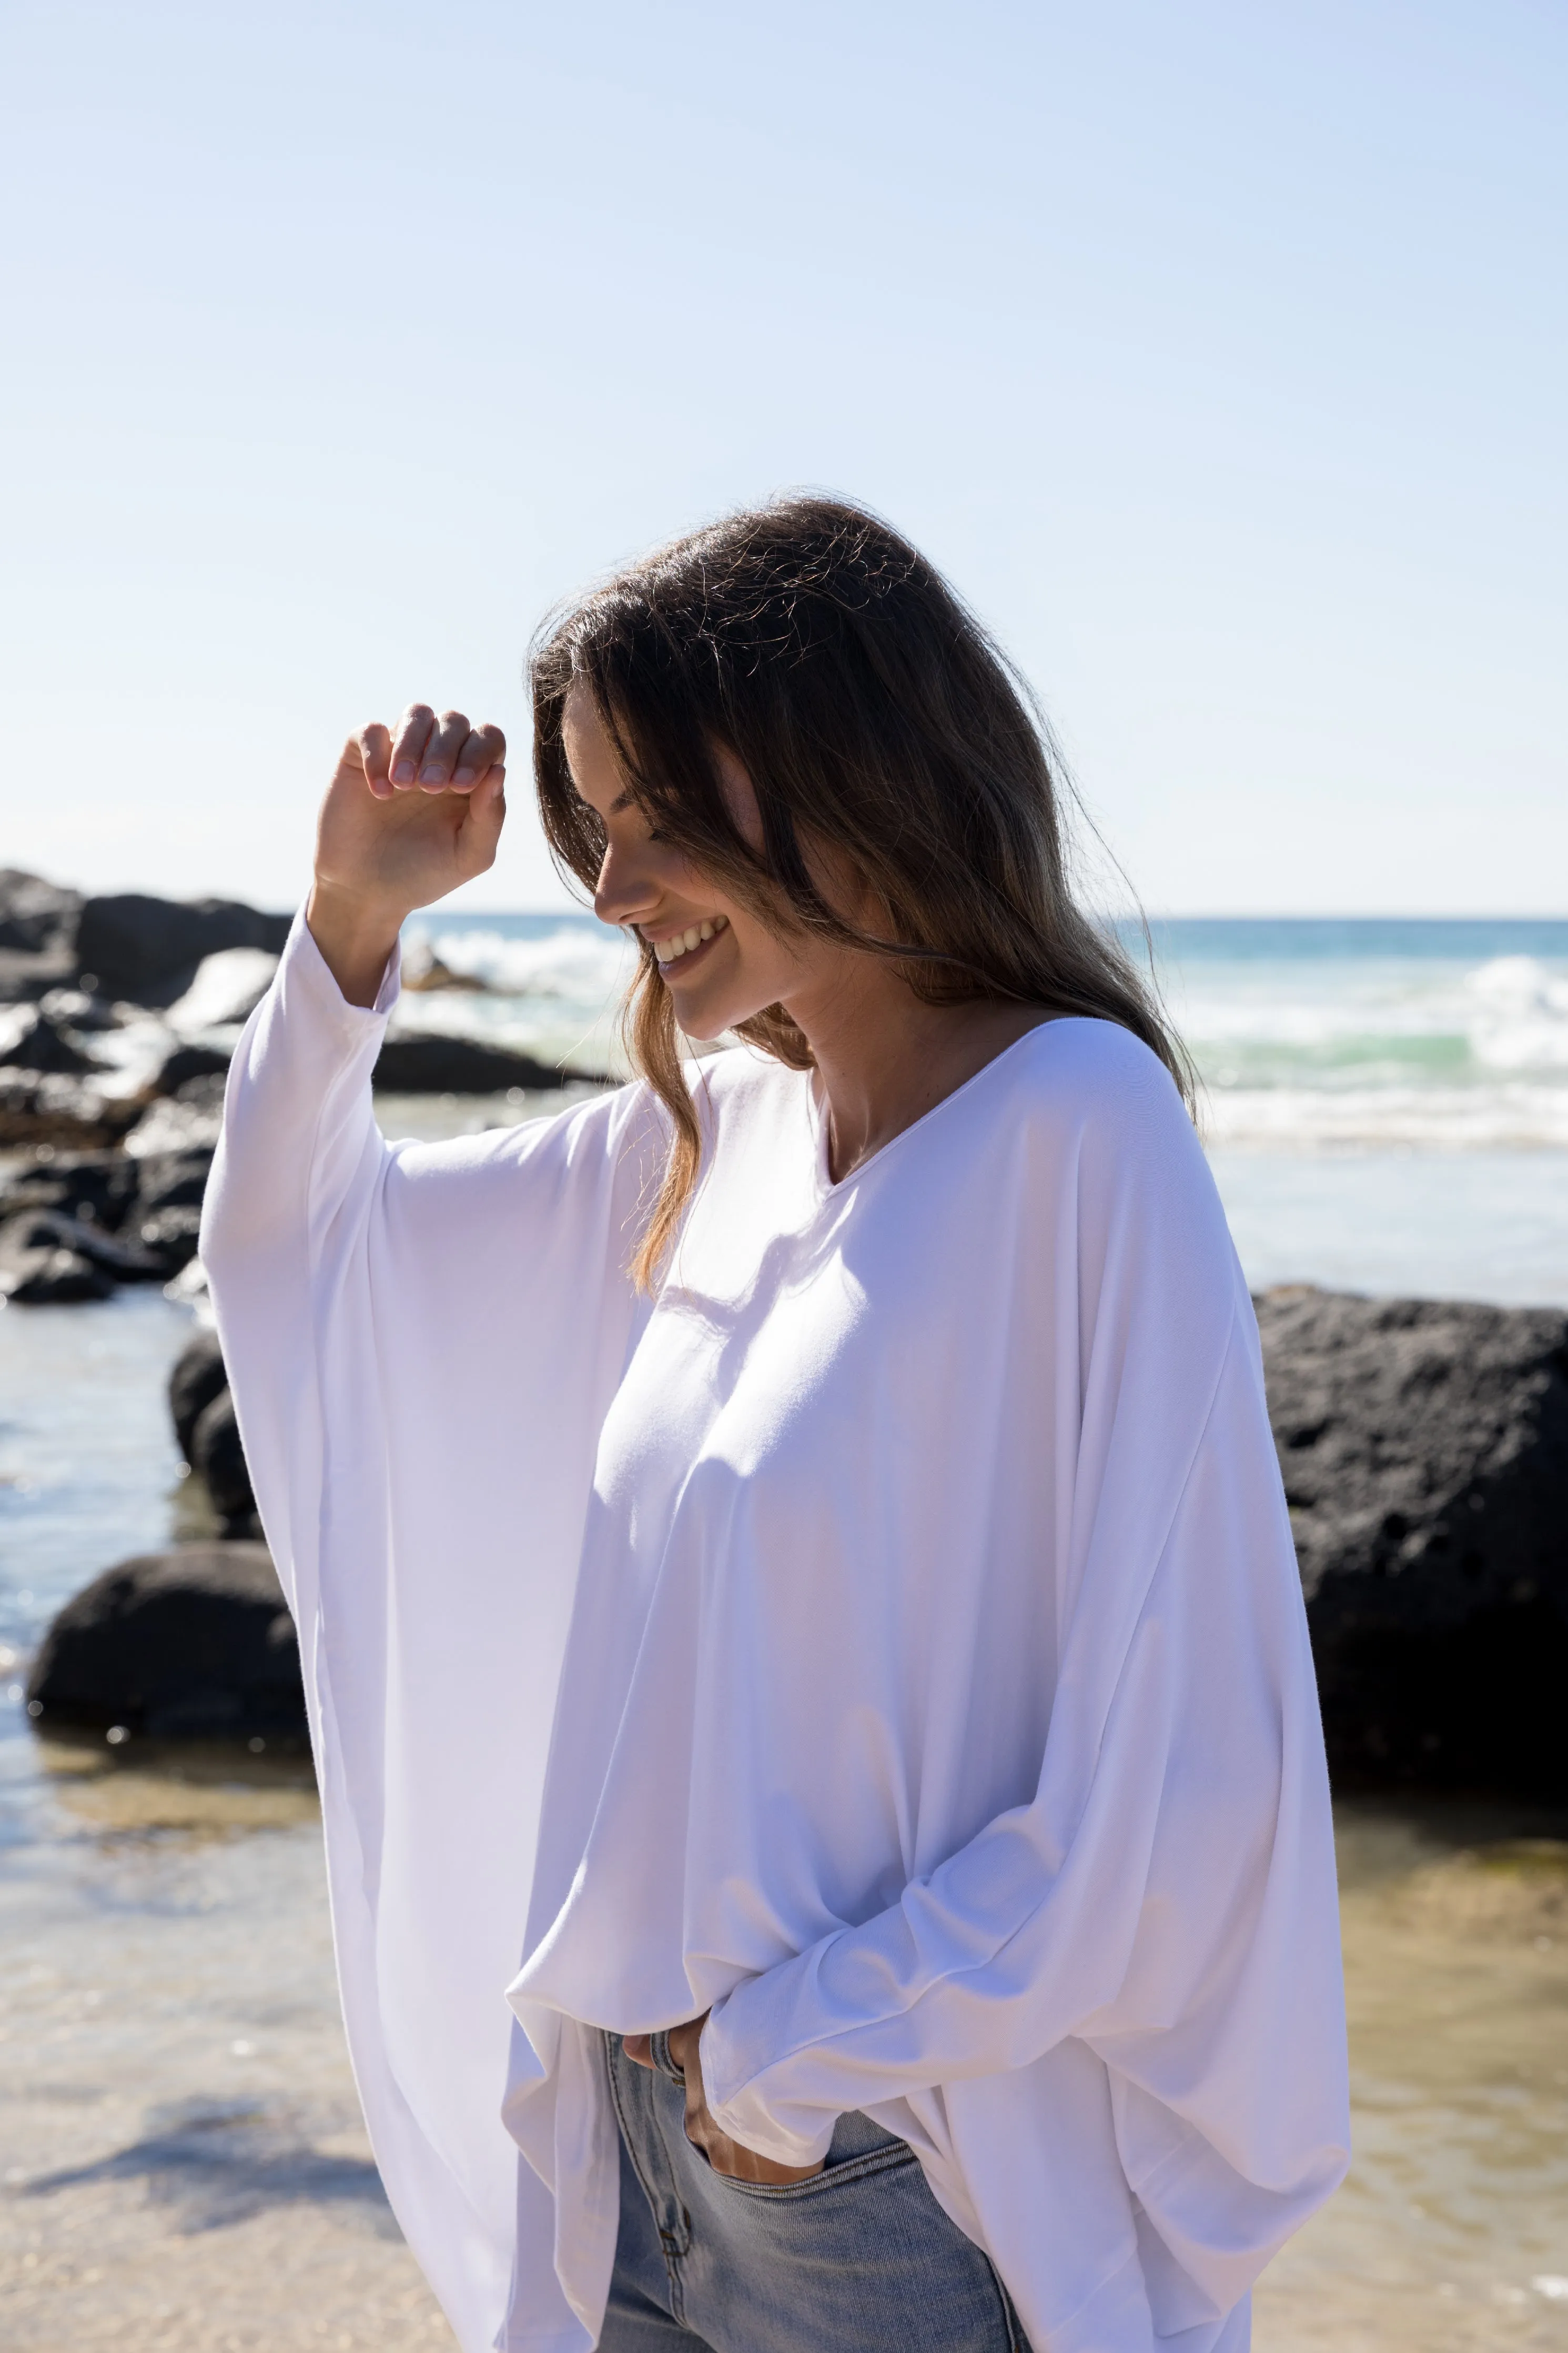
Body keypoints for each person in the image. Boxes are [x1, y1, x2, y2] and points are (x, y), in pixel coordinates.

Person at [203, 497, 1349, 2353]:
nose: (606, 885)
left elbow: (1185, 1768)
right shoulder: (710, 1143)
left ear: (854, 769)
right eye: (593, 822)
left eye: (656, 815)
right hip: (635, 2152)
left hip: (864, 2169)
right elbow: (299, 1258)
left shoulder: (1079, 1127)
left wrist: (796, 2062)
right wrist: (351, 921)